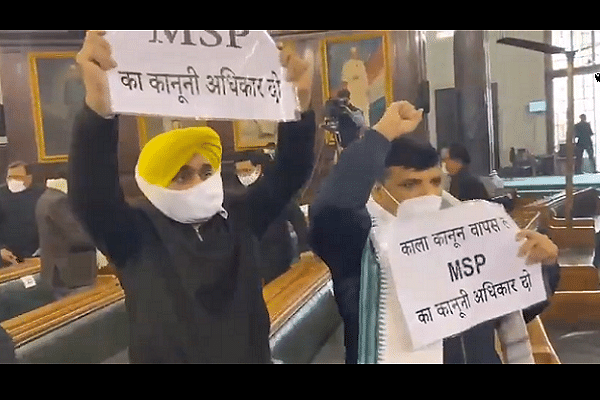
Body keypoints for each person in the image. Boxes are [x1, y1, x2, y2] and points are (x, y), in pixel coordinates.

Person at [69, 31, 316, 364]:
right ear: (154, 185)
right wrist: (98, 109)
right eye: (182, 175)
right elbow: (91, 193)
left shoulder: (241, 216)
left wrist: (297, 108)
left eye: (206, 171)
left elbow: (290, 172)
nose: (199, 183)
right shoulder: (134, 232)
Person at [310, 101, 560, 364]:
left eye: (435, 182)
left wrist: (544, 265)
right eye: (410, 184)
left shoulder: (467, 235)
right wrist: (382, 133)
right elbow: (331, 208)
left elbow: (511, 308)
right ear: (378, 189)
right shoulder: (359, 246)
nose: (428, 194)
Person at [233, 151, 310, 285]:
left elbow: (297, 217)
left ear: (259, 168)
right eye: (239, 171)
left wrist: (304, 248)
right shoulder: (238, 194)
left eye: (246, 170)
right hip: (251, 256)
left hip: (277, 253)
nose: (243, 175)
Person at [36, 169, 98, 300]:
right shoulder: (59, 200)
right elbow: (78, 235)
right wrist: (103, 237)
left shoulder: (45, 197)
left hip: (57, 270)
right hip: (69, 272)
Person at [0, 161, 45, 265]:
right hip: (7, 258)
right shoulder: (1, 195)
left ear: (29, 178)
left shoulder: (41, 196)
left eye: (17, 177)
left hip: (35, 257)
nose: (12, 180)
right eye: (9, 177)